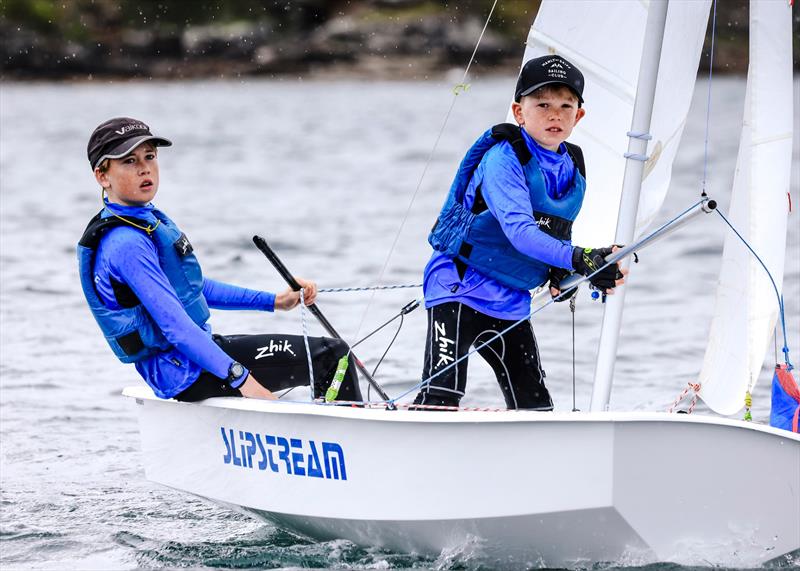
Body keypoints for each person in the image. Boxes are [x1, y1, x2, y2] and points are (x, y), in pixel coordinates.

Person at [78, 117, 361, 403]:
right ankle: (353, 440)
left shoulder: (143, 221)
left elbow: (194, 289)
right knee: (334, 357)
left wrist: (275, 301)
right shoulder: (127, 243)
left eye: (149, 156)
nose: (144, 168)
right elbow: (175, 326)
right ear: (103, 176)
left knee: (331, 354)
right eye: (129, 161)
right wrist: (244, 381)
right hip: (188, 372)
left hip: (189, 362)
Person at [416, 55, 625, 410]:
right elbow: (521, 233)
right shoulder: (503, 157)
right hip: (458, 286)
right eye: (542, 104)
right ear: (518, 111)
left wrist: (566, 270)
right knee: (442, 398)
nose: (554, 114)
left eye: (565, 105)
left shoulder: (572, 165)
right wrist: (581, 258)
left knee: (535, 407)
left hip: (511, 298)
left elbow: (556, 230)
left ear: (579, 115)